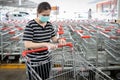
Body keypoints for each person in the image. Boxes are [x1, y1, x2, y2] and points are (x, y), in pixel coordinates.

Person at [23, 2, 66, 80]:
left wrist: (60, 40)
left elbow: (54, 38)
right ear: (38, 13)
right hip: (34, 61)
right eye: (44, 15)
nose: (46, 17)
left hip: (46, 59)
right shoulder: (30, 25)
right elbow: (27, 44)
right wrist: (45, 44)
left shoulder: (49, 25)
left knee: (46, 78)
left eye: (48, 15)